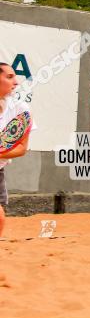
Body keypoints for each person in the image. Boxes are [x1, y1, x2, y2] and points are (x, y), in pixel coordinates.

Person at [0, 62, 35, 237]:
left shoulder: (21, 110)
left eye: (15, 76)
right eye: (9, 77)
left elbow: (21, 149)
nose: (16, 82)